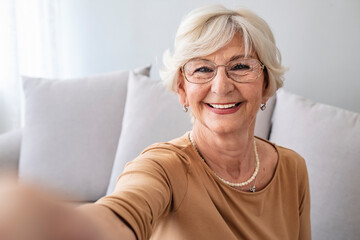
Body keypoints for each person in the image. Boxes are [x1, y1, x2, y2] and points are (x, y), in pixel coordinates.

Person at [0, 4, 310, 240]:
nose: (221, 86)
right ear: (182, 89)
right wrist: (60, 224)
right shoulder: (163, 166)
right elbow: (119, 215)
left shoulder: (292, 167)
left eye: (240, 66)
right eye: (202, 69)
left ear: (266, 84)